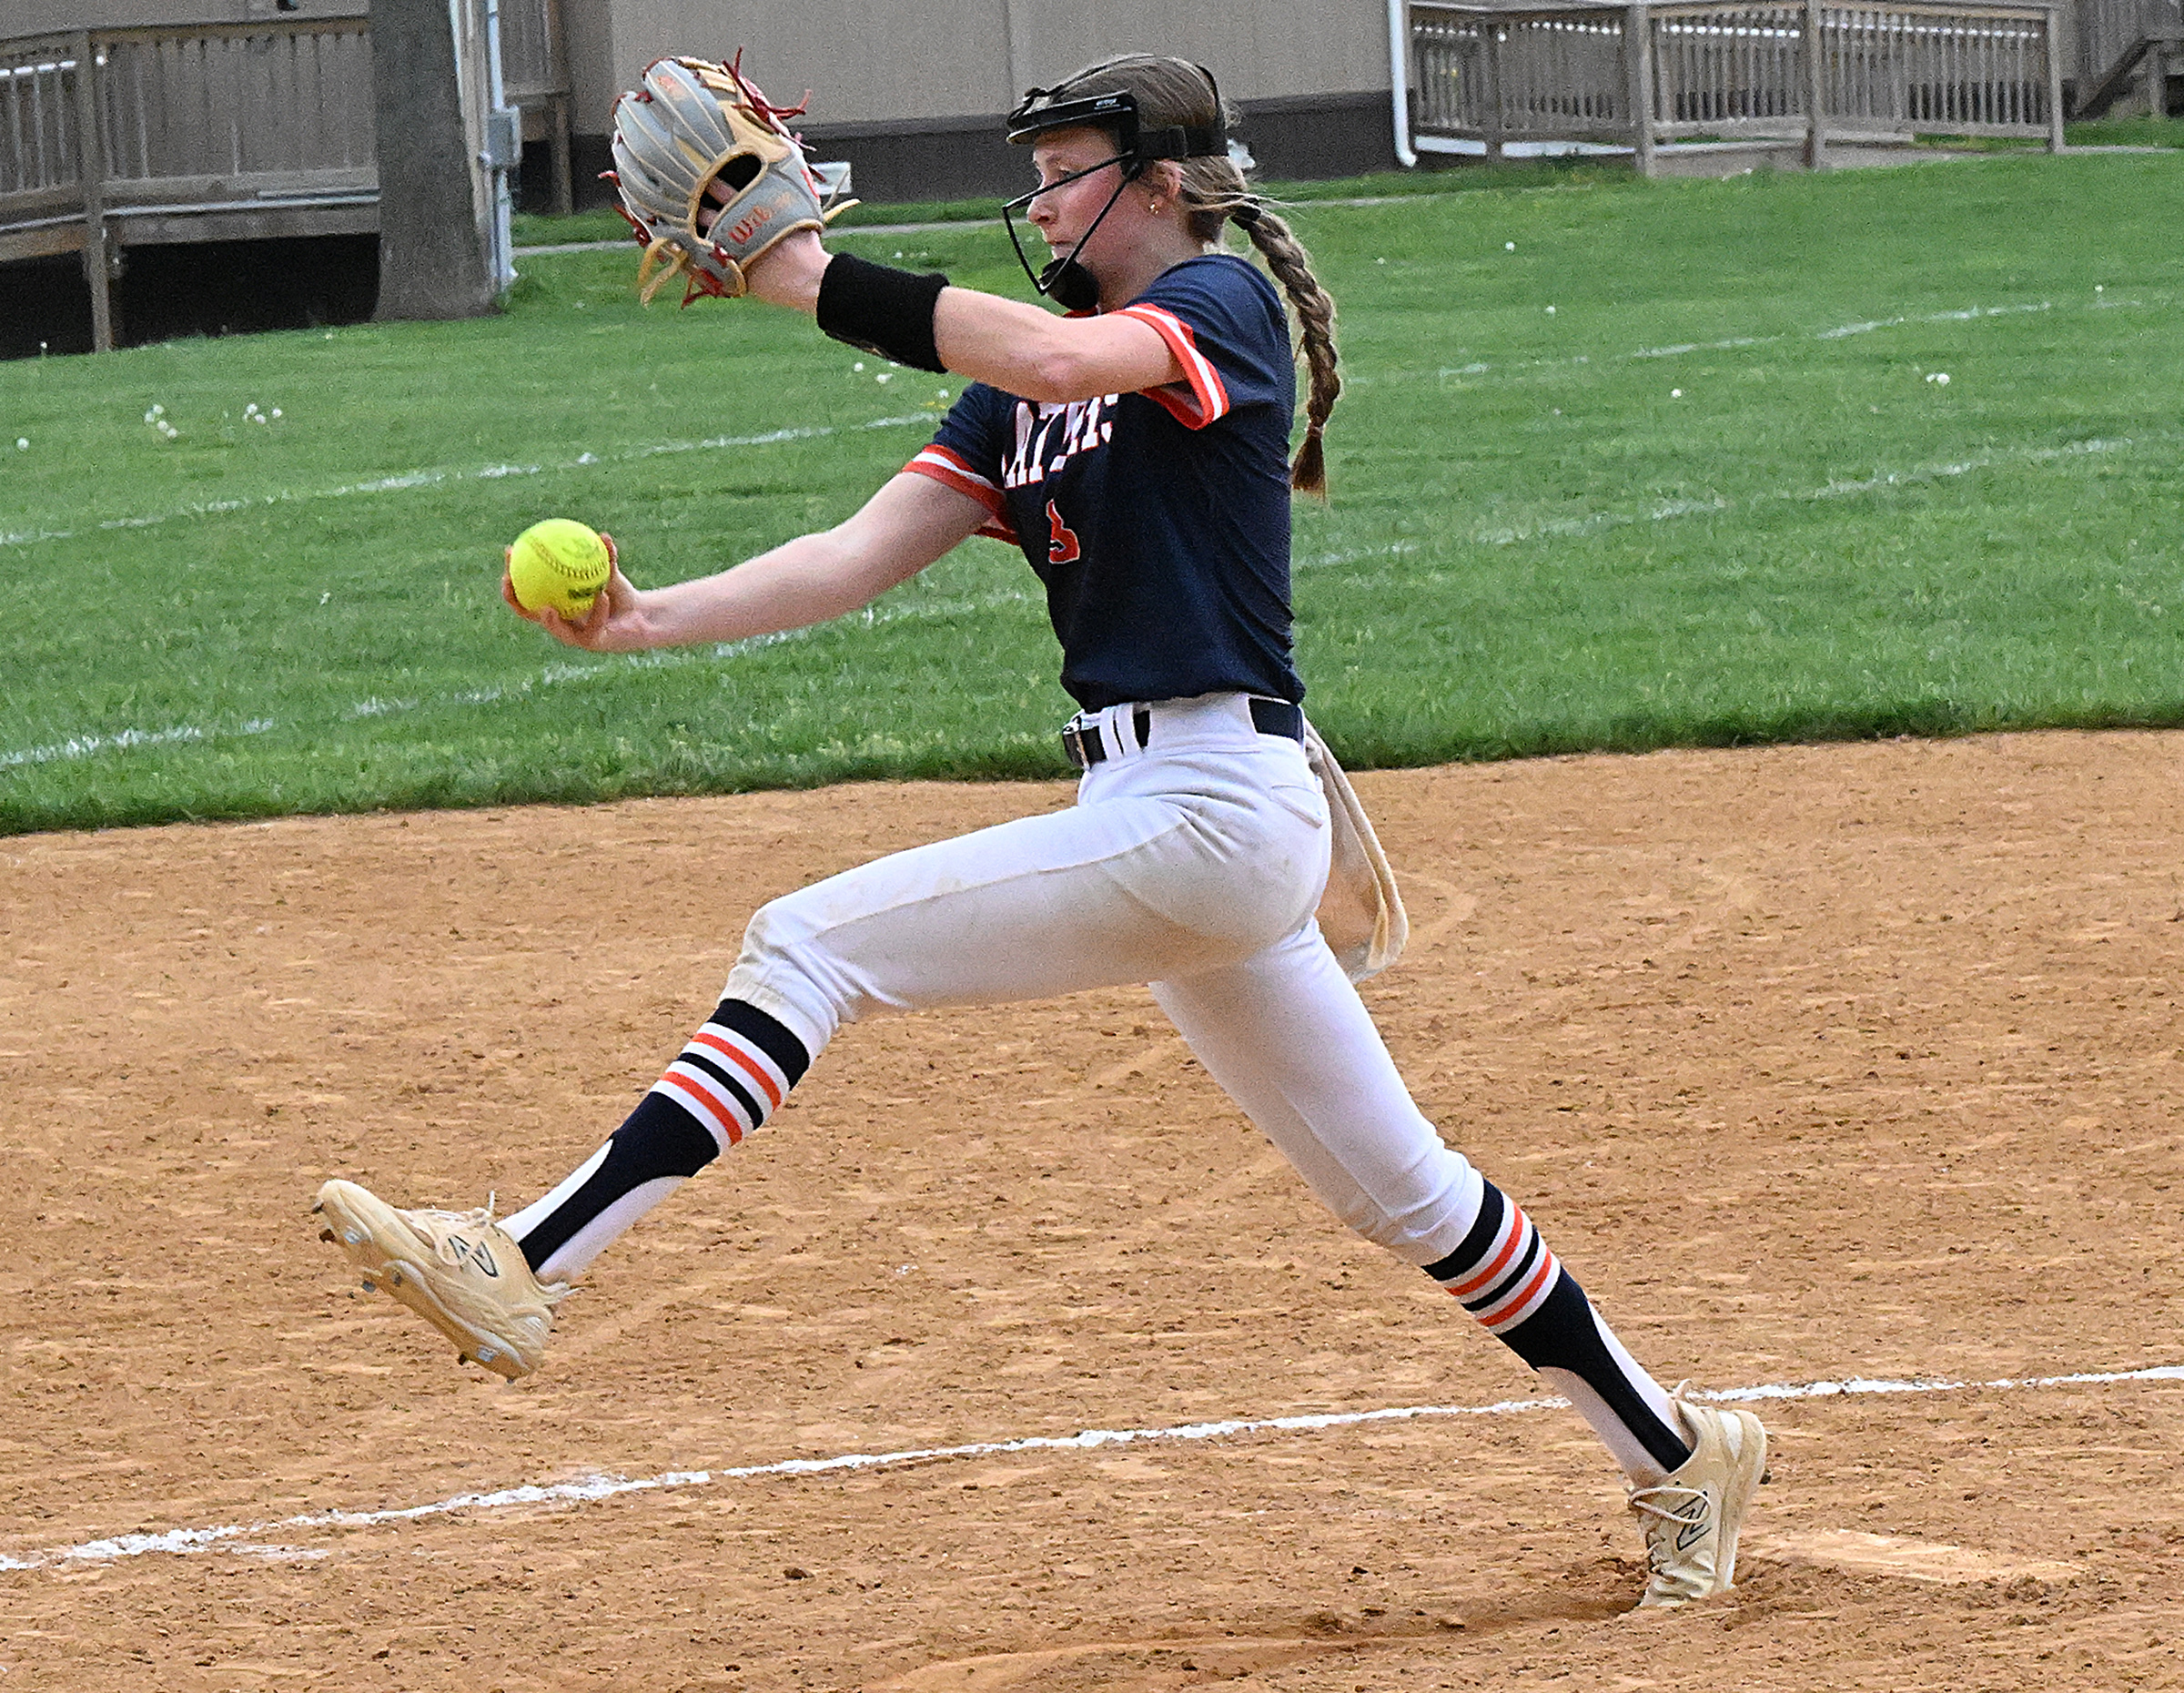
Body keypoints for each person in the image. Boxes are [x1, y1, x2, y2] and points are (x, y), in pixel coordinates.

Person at [314, 53, 1764, 1609]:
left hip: (1213, 804)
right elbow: (859, 551)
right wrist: (646, 619)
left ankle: (527, 1260)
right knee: (1405, 1196)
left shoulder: (1210, 315)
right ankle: (1681, 1454)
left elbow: (1073, 367)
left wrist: (807, 279)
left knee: (807, 944)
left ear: (1156, 183)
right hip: (1168, 824)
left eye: (1066, 170)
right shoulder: (1021, 385)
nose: (1040, 198)